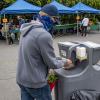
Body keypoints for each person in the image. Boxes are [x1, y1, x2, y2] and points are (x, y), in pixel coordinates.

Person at [16, 4, 72, 100]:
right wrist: (66, 62)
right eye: (54, 19)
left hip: (22, 79)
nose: (54, 22)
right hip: (36, 83)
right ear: (48, 17)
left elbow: (36, 55)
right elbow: (52, 63)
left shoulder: (26, 29)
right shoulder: (43, 35)